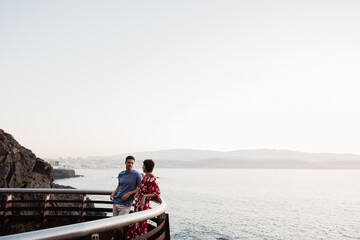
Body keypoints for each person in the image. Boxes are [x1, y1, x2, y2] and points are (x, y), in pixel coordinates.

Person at [127, 159, 161, 239]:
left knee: (141, 223)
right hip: (138, 203)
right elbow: (141, 188)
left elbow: (157, 192)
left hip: (143, 204)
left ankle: (140, 238)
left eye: (143, 166)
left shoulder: (152, 179)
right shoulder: (145, 177)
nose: (142, 167)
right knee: (135, 222)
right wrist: (137, 193)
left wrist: (145, 196)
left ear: (145, 167)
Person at [110, 155, 142, 239]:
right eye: (128, 162)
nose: (130, 164)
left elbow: (140, 188)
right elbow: (119, 185)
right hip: (116, 202)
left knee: (119, 226)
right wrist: (113, 193)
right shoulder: (121, 174)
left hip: (126, 205)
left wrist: (129, 193)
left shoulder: (137, 175)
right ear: (125, 163)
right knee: (114, 225)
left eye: (132, 163)